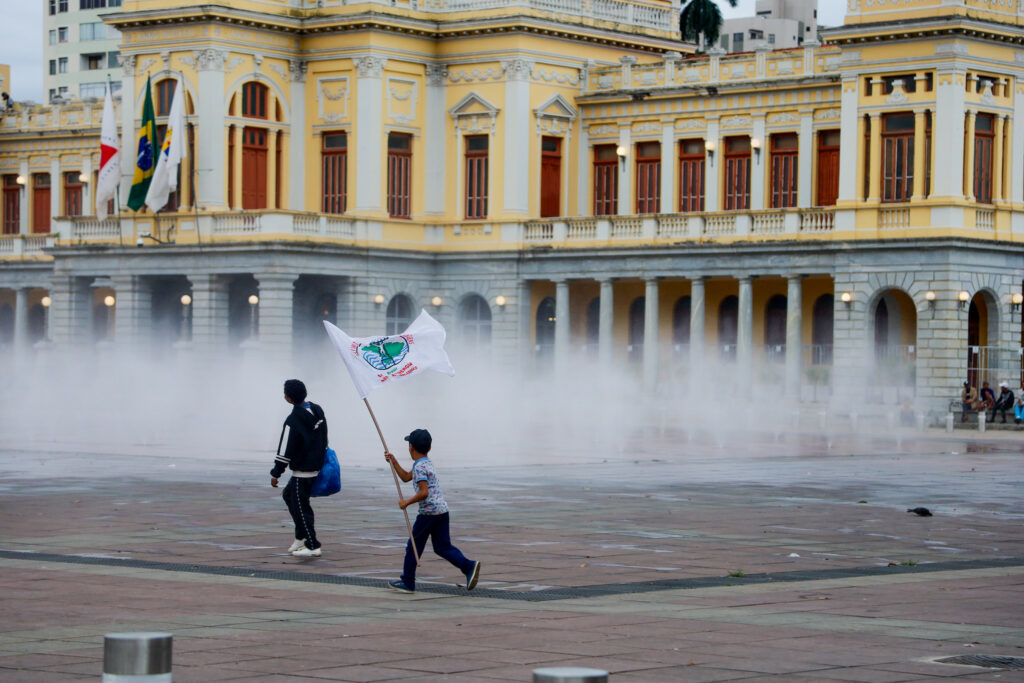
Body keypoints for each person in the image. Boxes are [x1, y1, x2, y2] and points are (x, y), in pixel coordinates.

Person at [384, 428, 480, 593]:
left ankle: (408, 582)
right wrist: (394, 462)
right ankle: (469, 566)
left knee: (413, 546)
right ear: (429, 448)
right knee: (442, 547)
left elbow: (423, 492)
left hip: (428, 514)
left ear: (411, 447)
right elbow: (406, 477)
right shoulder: (425, 463)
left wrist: (406, 502)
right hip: (442, 511)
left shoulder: (420, 467)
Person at [270, 379, 328, 558]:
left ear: (287, 398)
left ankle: (312, 544)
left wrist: (276, 473)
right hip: (316, 465)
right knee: (289, 496)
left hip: (303, 470)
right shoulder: (317, 409)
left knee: (301, 506)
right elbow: (324, 435)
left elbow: (285, 449)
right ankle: (300, 536)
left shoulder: (293, 419)